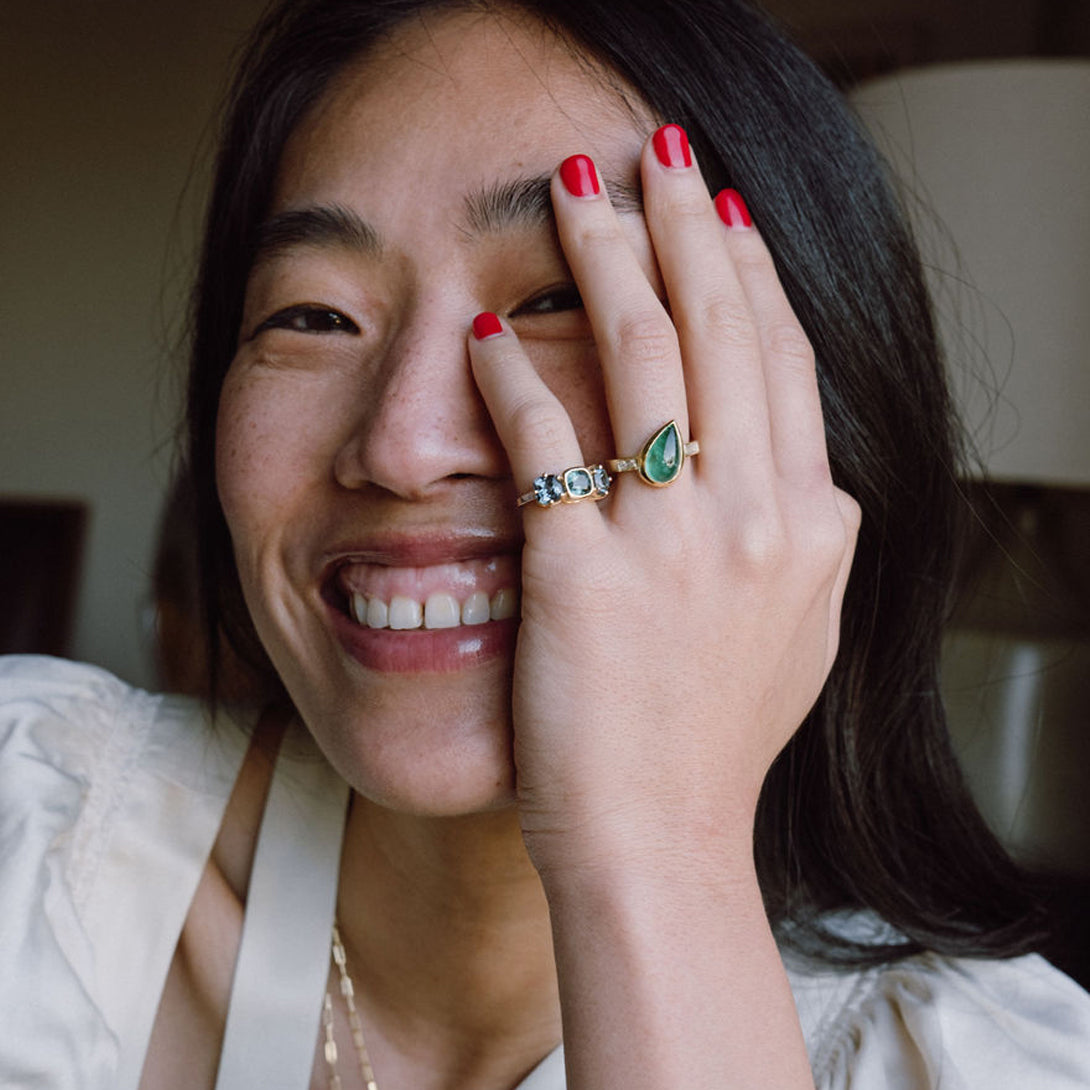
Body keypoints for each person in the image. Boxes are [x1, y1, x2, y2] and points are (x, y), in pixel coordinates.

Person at [2, 0, 1089, 1086]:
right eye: (314, 317)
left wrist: (659, 855)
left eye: (560, 296)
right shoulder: (33, 848)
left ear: (803, 422)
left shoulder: (977, 1060)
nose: (404, 446)